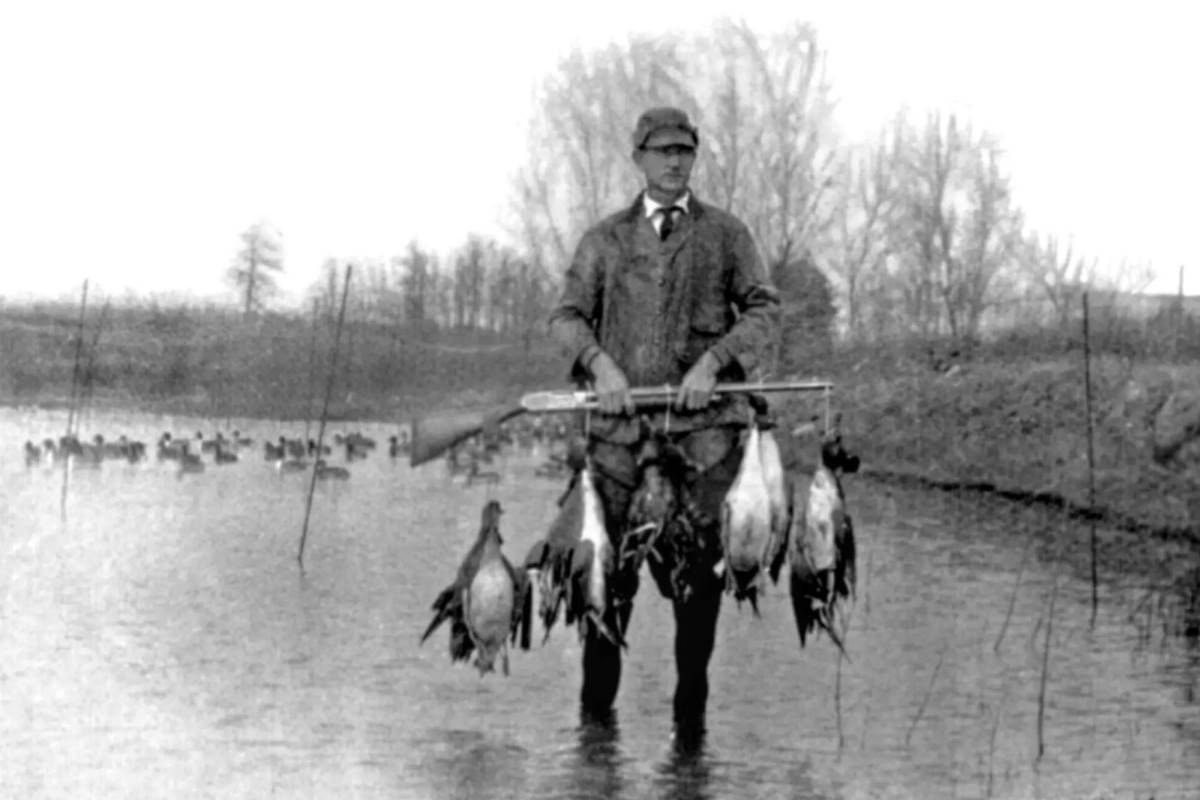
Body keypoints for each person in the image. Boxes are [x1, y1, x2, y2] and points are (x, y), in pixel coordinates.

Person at [534, 106, 782, 737]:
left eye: (685, 152)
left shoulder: (727, 236)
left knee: (697, 595)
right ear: (638, 157)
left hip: (704, 444)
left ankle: (689, 751)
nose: (674, 162)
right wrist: (600, 366)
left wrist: (715, 362)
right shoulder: (604, 240)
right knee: (603, 591)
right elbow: (565, 317)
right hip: (617, 446)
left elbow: (762, 312)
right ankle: (597, 750)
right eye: (662, 150)